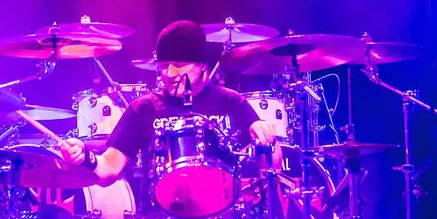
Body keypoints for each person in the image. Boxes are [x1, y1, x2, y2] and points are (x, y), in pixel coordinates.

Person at [58, 20, 280, 183]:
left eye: (180, 65)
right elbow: (109, 169)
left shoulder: (231, 101)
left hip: (221, 215)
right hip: (160, 218)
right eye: (164, 66)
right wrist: (86, 158)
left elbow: (273, 166)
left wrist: (268, 140)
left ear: (203, 66)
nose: (170, 73)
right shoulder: (144, 108)